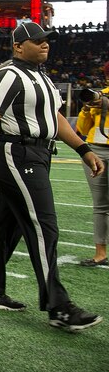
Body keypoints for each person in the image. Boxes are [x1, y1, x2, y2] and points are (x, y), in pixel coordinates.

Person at [0, 21, 103, 331]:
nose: (45, 45)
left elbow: (55, 119)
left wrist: (83, 149)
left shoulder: (42, 78)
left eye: (47, 40)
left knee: (6, 226)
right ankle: (59, 306)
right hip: (17, 152)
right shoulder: (6, 75)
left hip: (38, 153)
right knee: (44, 226)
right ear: (18, 46)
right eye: (37, 40)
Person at [75, 80, 109, 266]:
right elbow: (83, 129)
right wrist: (87, 110)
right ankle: (100, 252)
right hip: (96, 150)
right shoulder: (99, 96)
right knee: (100, 205)